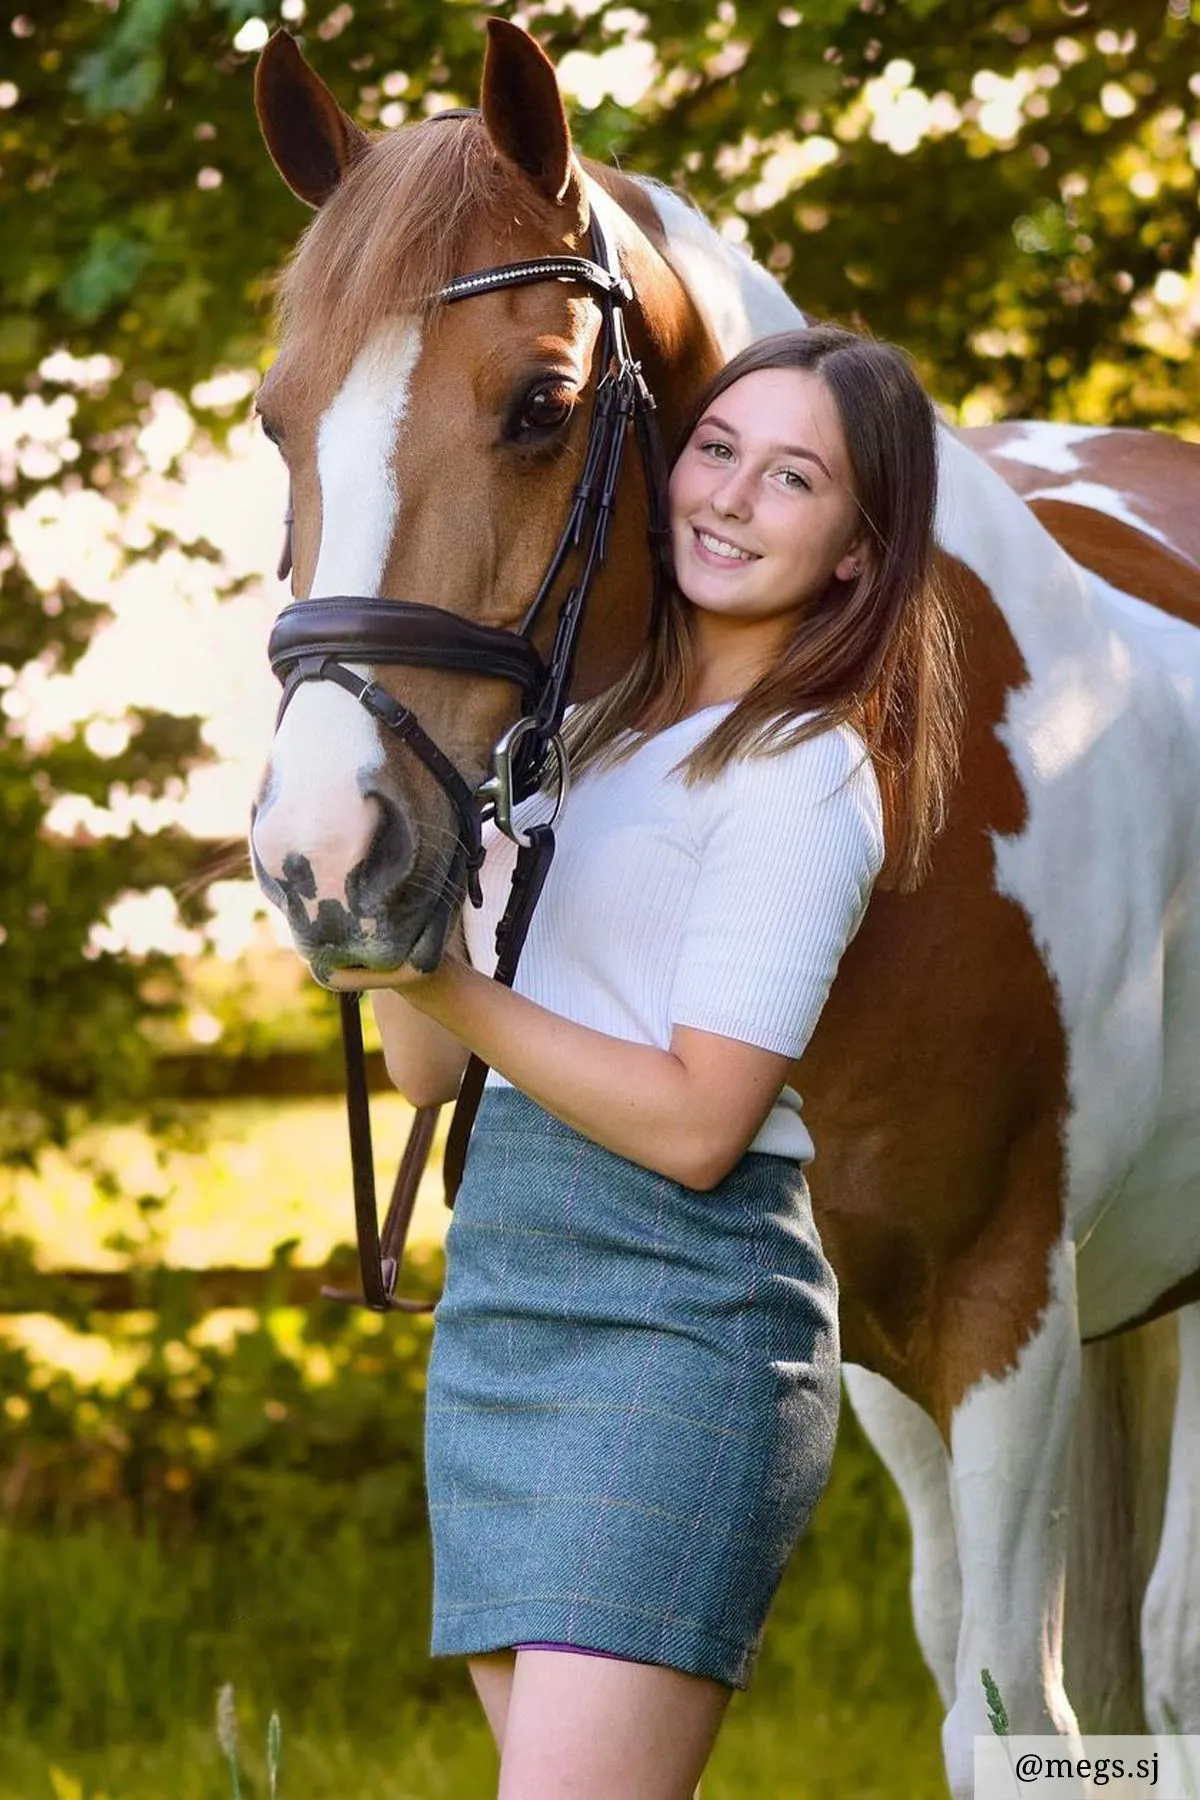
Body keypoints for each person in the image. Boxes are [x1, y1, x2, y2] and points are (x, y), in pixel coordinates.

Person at [335, 324, 961, 1800]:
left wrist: (448, 985)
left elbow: (697, 1124)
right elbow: (431, 1075)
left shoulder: (804, 776)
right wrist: (382, 901)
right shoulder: (582, 742)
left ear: (861, 552)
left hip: (678, 1338)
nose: (732, 497)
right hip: (504, 1318)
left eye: (793, 478)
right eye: (719, 449)